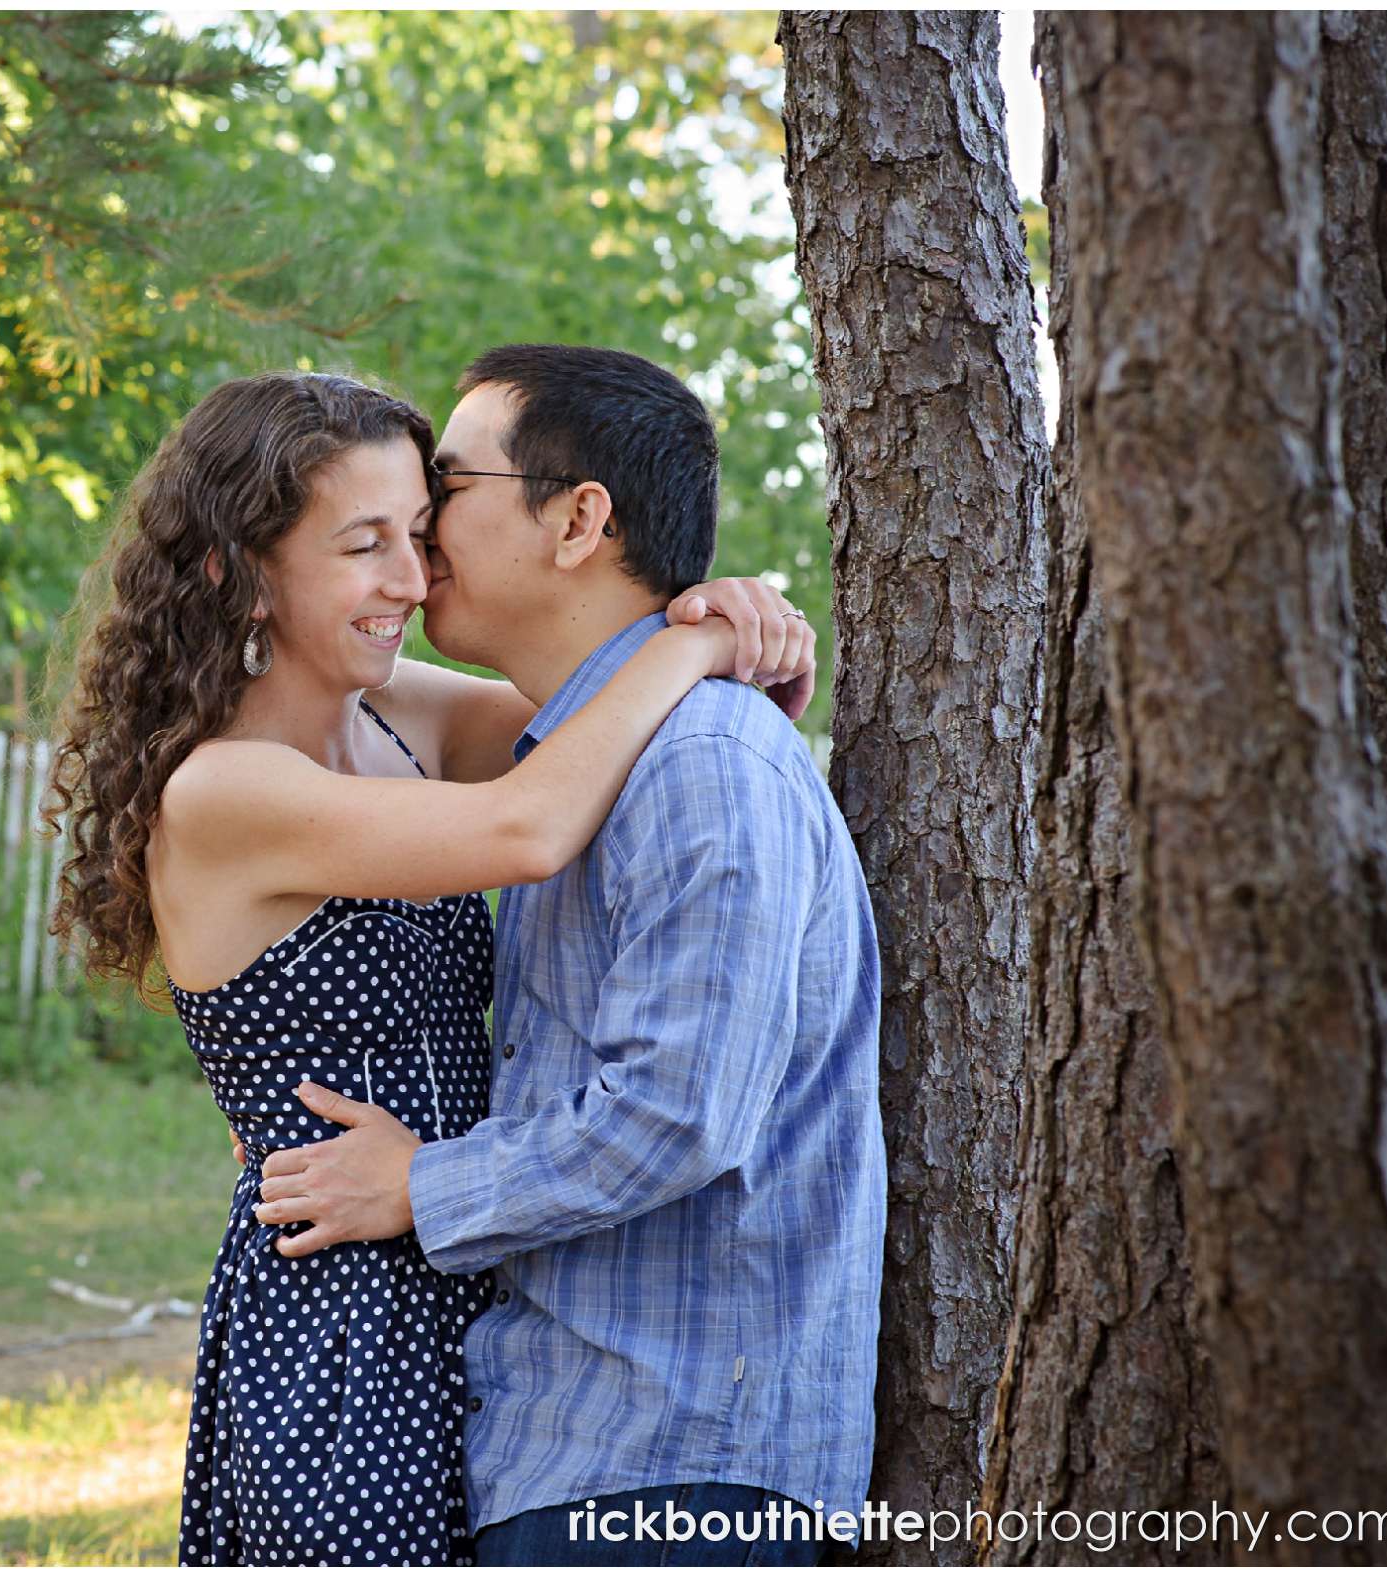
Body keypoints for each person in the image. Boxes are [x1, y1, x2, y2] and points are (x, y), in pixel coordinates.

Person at [42, 368, 817, 1566]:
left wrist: (718, 627)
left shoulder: (397, 715)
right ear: (235, 567)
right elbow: (530, 823)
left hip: (477, 1268)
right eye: (363, 546)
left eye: (417, 532)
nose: (410, 579)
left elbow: (593, 712)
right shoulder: (223, 790)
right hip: (345, 1313)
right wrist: (696, 639)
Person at [250, 345, 887, 1566]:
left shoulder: (699, 760)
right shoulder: (587, 751)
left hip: (672, 1464)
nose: (425, 525)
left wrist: (415, 1184)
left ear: (577, 517)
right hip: (584, 1443)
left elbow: (676, 1111)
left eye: (450, 483)